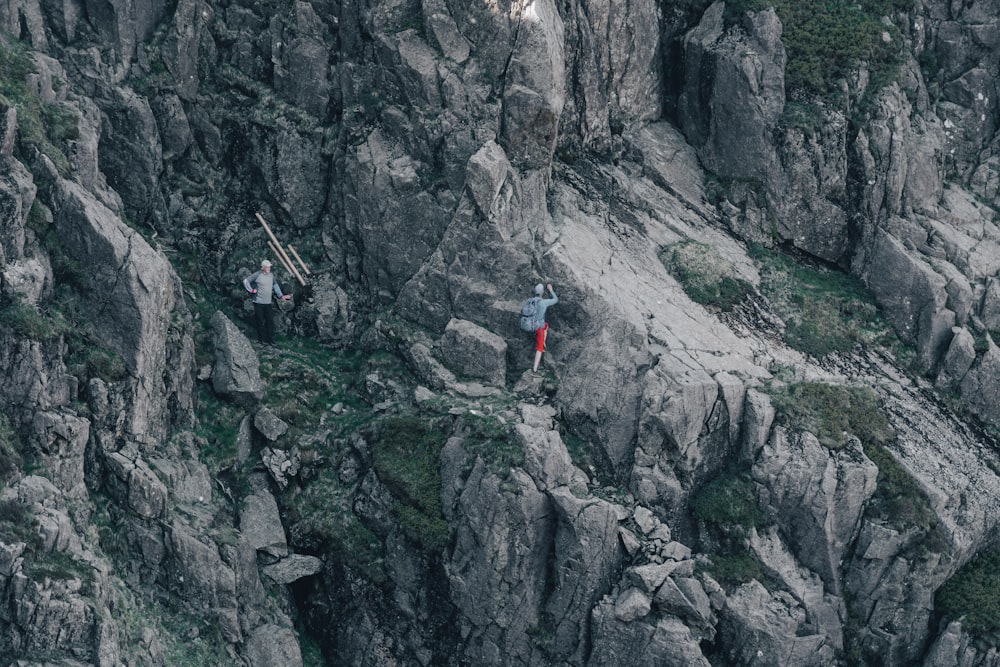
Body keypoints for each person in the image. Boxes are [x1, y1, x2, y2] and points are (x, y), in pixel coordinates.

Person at [243, 260, 291, 346]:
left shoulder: (271, 275)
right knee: (260, 321)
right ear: (263, 268)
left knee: (270, 321)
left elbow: (275, 286)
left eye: (269, 267)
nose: (269, 268)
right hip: (258, 302)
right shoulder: (257, 274)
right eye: (267, 267)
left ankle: (270, 340)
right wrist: (252, 290)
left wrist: (281, 296)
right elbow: (246, 281)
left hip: (268, 303)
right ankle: (262, 340)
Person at [531, 282, 558, 372]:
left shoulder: (531, 301)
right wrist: (551, 290)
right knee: (539, 349)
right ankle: (534, 369)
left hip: (530, 325)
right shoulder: (543, 302)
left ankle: (543, 342)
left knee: (546, 325)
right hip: (539, 328)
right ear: (542, 292)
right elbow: (555, 300)